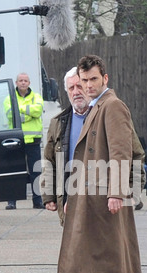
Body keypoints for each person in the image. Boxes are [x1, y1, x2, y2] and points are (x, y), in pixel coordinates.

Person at [45, 55, 147, 273]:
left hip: (103, 201)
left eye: (93, 79)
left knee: (79, 261)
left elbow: (121, 152)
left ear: (105, 79)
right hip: (87, 199)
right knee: (106, 259)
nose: (88, 85)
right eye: (84, 80)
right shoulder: (95, 107)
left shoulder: (112, 106)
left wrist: (116, 193)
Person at [41, 67, 91, 225]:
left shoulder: (105, 116)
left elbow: (130, 154)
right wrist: (49, 194)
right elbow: (49, 160)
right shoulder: (58, 122)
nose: (76, 92)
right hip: (69, 199)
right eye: (71, 88)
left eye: (79, 86)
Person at [5, 73, 44, 210]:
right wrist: (29, 113)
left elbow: (37, 111)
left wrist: (20, 110)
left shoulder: (37, 97)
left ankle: (38, 201)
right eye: (20, 80)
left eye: (25, 80)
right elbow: (10, 113)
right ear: (16, 82)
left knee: (36, 171)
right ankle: (11, 202)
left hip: (33, 140)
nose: (23, 83)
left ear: (29, 83)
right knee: (14, 172)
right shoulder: (9, 97)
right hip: (16, 141)